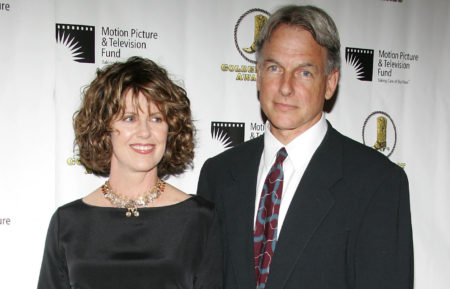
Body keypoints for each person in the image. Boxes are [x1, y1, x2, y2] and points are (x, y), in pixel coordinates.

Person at [197, 5, 413, 289]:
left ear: (330, 82)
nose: (285, 87)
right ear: (259, 75)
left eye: (304, 73)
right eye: (275, 68)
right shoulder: (219, 174)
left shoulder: (377, 183)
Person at [38, 56, 222, 289]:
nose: (145, 132)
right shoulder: (68, 224)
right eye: (129, 118)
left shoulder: (199, 219)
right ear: (104, 128)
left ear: (171, 128)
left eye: (156, 118)